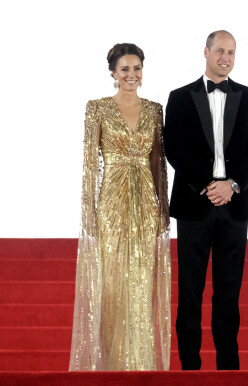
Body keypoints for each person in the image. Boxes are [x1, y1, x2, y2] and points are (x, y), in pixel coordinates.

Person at [163, 30, 248, 370]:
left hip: (235, 208)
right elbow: (174, 148)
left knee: (228, 293)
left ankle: (228, 370)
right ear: (206, 51)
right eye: (220, 50)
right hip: (195, 206)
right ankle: (189, 369)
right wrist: (208, 185)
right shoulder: (179, 97)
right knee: (190, 292)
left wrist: (232, 184)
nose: (226, 57)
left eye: (232, 52)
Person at [69, 43, 171, 371]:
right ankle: (113, 365)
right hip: (111, 202)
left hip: (145, 202)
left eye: (137, 68)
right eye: (125, 69)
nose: (131, 75)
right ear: (113, 72)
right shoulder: (96, 108)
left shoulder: (155, 110)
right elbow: (89, 165)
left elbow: (158, 162)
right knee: (113, 285)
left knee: (141, 284)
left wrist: (163, 208)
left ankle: (141, 364)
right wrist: (89, 211)